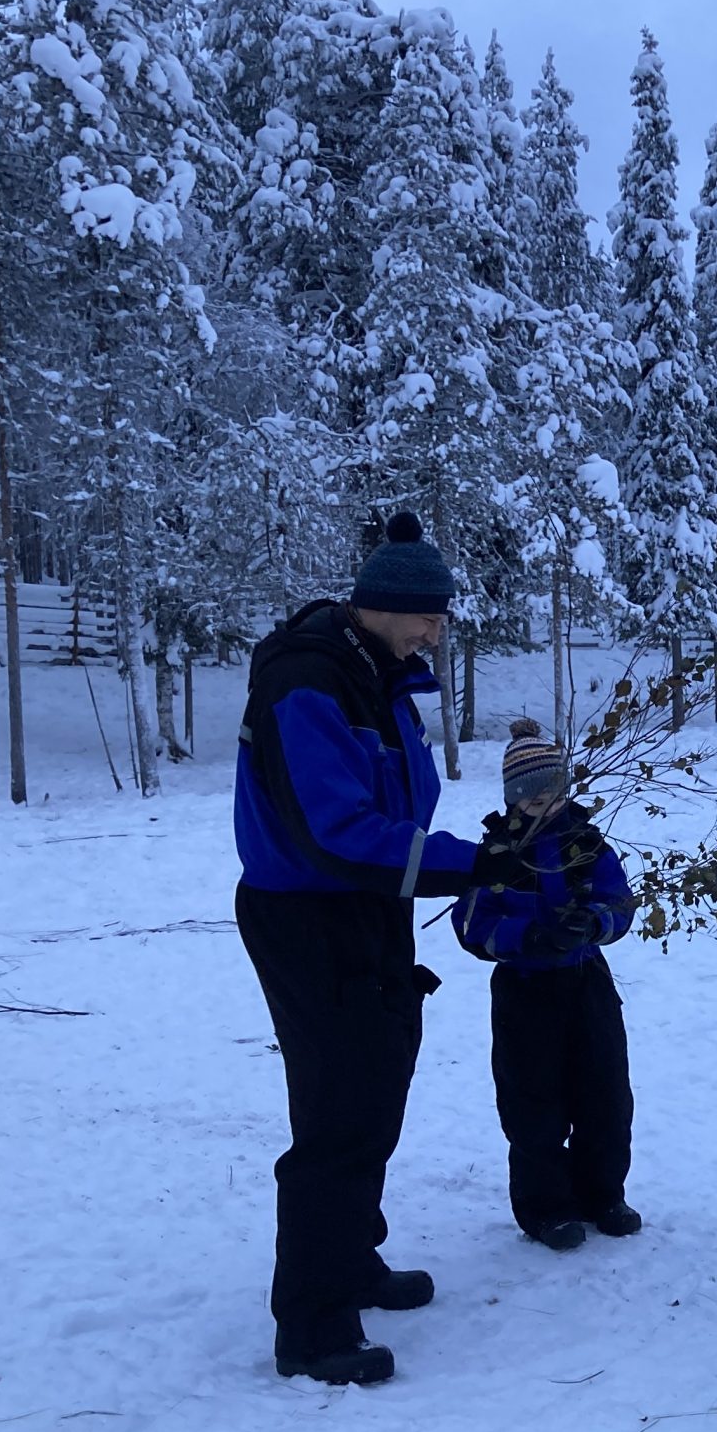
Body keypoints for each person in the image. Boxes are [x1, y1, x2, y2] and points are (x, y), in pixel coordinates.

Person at [233, 513, 508, 1387]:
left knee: (378, 1086)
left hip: (369, 907)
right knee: (340, 1112)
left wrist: (477, 854)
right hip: (311, 915)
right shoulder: (308, 683)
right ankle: (313, 1328)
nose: (437, 628)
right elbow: (336, 834)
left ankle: (351, 1259)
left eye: (441, 614)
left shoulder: (377, 675)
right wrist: (471, 866)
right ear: (379, 607)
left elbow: (394, 812)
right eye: (426, 614)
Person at [452, 721, 641, 1252]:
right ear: (512, 798)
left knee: (605, 1094)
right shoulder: (497, 854)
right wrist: (529, 935)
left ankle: (602, 1194)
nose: (544, 800)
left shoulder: (588, 844)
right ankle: (545, 1208)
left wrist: (594, 923)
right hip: (525, 990)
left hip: (587, 984)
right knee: (533, 1102)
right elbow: (471, 924)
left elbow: (620, 904)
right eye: (531, 793)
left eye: (552, 789)